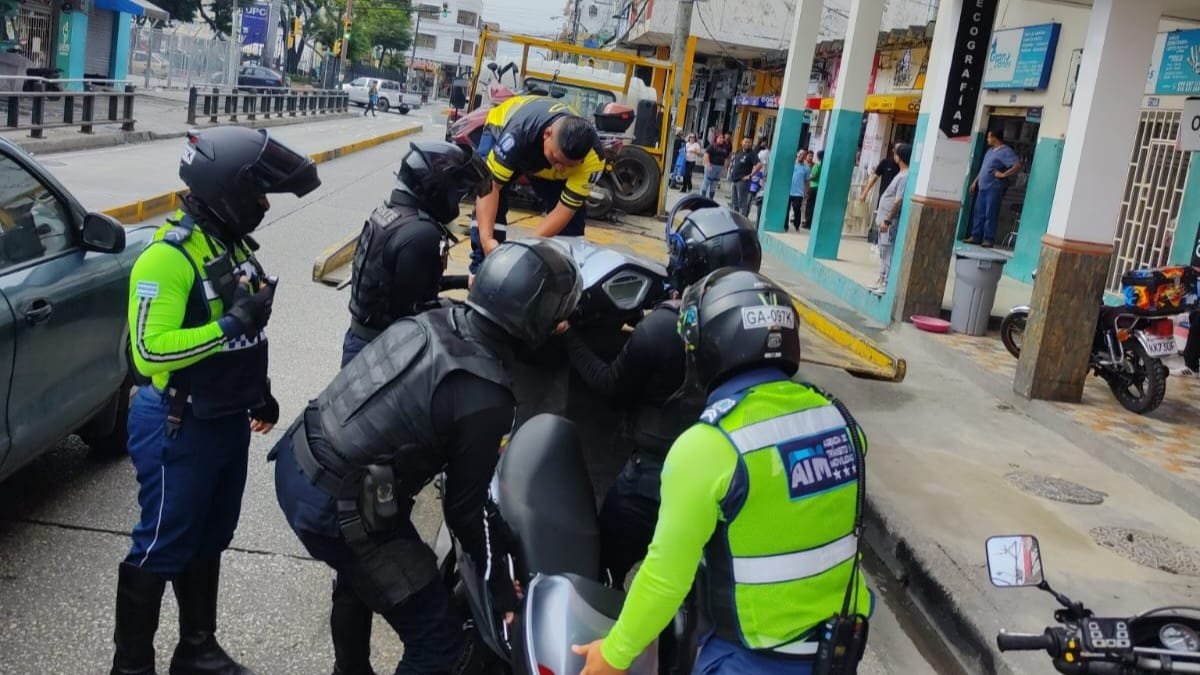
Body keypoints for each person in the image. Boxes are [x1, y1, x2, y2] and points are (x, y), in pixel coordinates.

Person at [272, 239, 581, 675]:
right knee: (438, 642)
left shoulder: (434, 320)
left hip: (296, 457)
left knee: (358, 579)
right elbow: (465, 509)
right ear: (536, 322)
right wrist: (502, 589)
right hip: (336, 504)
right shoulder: (487, 395)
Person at [573, 268, 871, 675]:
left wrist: (612, 655)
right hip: (834, 654)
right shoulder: (841, 423)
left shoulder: (709, 447)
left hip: (749, 661)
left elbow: (663, 579)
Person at [113, 126, 320, 675]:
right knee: (162, 543)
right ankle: (131, 664)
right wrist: (230, 322)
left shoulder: (227, 244)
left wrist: (261, 392)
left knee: (210, 537)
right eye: (256, 193)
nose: (264, 204)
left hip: (224, 417)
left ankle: (196, 648)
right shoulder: (167, 259)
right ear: (225, 190)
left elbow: (245, 336)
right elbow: (151, 351)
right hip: (178, 422)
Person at [562, 199, 762, 585]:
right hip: (731, 479)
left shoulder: (660, 330)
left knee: (601, 565)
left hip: (655, 479)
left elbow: (609, 389)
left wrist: (569, 335)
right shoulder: (759, 325)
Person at [342, 141, 492, 366]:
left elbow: (405, 288)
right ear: (437, 188)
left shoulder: (392, 215)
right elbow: (418, 309)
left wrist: (464, 281)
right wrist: (466, 312)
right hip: (384, 354)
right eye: (457, 193)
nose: (458, 203)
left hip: (363, 341)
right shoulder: (422, 234)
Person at [470, 94, 605, 276]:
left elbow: (564, 210)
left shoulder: (593, 159)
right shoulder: (517, 134)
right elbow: (489, 188)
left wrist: (525, 249)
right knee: (490, 204)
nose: (560, 168)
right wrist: (487, 241)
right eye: (557, 160)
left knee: (571, 226)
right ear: (547, 134)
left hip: (537, 152)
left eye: (570, 165)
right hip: (502, 129)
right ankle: (480, 271)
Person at [966, 130, 1022, 247]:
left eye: (989, 137)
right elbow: (984, 168)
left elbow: (1017, 165)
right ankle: (975, 236)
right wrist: (975, 182)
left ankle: (988, 238)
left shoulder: (1005, 151)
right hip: (982, 187)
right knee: (979, 212)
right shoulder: (989, 152)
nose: (987, 139)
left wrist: (1003, 174)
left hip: (994, 188)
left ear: (995, 138)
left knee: (990, 213)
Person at [870, 143, 911, 296]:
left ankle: (886, 282)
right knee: (882, 250)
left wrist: (888, 220)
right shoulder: (900, 174)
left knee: (887, 251)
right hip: (882, 220)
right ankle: (881, 278)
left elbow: (898, 200)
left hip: (888, 222)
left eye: (896, 153)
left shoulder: (905, 177)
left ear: (899, 157)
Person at [858, 144, 901, 244]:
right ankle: (877, 240)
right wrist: (865, 193)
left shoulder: (903, 168)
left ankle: (884, 242)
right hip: (883, 199)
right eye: (897, 150)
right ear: (893, 150)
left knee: (891, 222)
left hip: (896, 201)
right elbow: (874, 178)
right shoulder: (885, 163)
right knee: (880, 221)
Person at [728, 137, 758, 217]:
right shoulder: (739, 151)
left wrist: (750, 175)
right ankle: (735, 218)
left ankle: (742, 219)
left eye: (749, 142)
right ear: (742, 142)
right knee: (734, 202)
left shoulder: (752, 154)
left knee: (742, 203)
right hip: (735, 180)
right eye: (746, 142)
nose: (747, 144)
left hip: (742, 181)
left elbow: (759, 165)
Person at [700, 133, 731, 200]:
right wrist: (708, 164)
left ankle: (711, 199)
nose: (721, 139)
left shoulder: (724, 148)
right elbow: (706, 155)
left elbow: (726, 158)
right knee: (706, 182)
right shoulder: (712, 146)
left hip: (719, 167)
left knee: (714, 183)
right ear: (716, 139)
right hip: (711, 166)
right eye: (719, 138)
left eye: (722, 138)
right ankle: (702, 198)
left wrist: (725, 167)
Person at [788, 150, 810, 232]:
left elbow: (807, 181)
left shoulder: (806, 168)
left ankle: (797, 226)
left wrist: (806, 192)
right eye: (800, 154)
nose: (801, 156)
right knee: (786, 209)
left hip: (798, 193)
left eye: (803, 155)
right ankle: (785, 226)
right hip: (788, 191)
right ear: (797, 154)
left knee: (797, 209)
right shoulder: (791, 164)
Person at [805, 150, 824, 229]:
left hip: (813, 187)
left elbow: (812, 176)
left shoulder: (817, 165)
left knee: (810, 205)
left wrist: (806, 179)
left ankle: (808, 223)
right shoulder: (825, 165)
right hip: (820, 188)